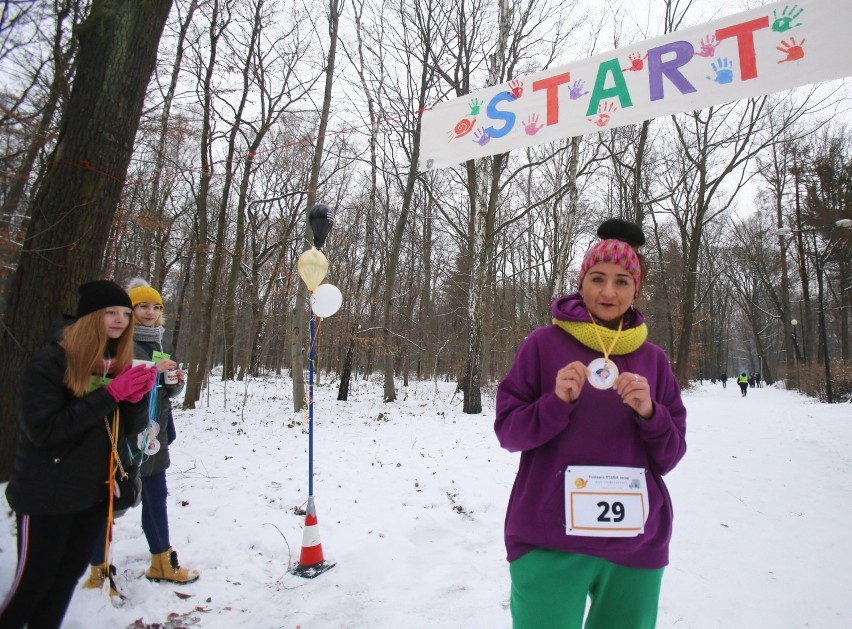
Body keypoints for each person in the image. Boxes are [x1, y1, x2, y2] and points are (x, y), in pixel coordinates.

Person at [495, 218, 687, 629]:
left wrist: (650, 413)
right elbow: (508, 433)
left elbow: (670, 455)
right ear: (581, 282)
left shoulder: (652, 359)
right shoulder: (543, 344)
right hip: (549, 539)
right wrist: (555, 402)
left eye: (621, 281)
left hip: (635, 544)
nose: (608, 291)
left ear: (636, 288)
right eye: (597, 278)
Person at [0, 280, 156, 628]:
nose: (120, 320)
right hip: (47, 495)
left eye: (125, 314)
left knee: (63, 585)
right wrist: (112, 393)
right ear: (89, 317)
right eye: (110, 312)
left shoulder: (113, 362)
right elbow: (46, 431)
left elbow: (123, 430)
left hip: (92, 496)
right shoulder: (51, 361)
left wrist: (135, 399)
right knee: (32, 586)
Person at [84, 278, 199, 594]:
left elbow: (166, 391)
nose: (150, 313)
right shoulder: (118, 339)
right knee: (107, 501)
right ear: (130, 311)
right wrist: (151, 372)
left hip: (153, 433)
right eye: (143, 306)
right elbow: (111, 381)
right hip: (120, 435)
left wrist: (175, 382)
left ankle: (161, 561)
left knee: (156, 496)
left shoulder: (162, 343)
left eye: (156, 307)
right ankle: (98, 571)